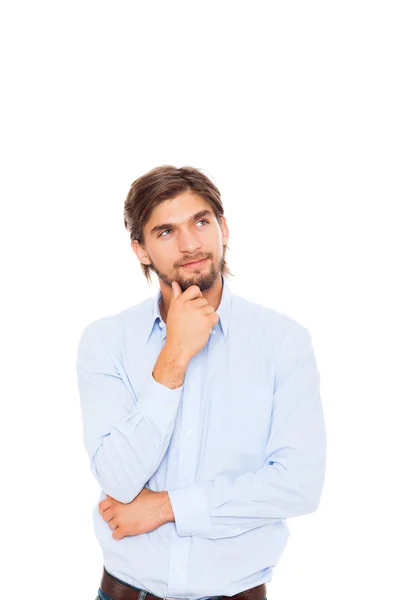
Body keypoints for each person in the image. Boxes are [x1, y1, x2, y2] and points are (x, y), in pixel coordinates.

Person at [76, 165, 327, 600]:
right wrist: (174, 354)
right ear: (141, 249)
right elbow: (117, 477)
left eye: (201, 221)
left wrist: (164, 508)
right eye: (167, 231)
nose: (191, 244)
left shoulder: (283, 342)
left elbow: (297, 485)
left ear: (223, 227)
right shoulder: (106, 342)